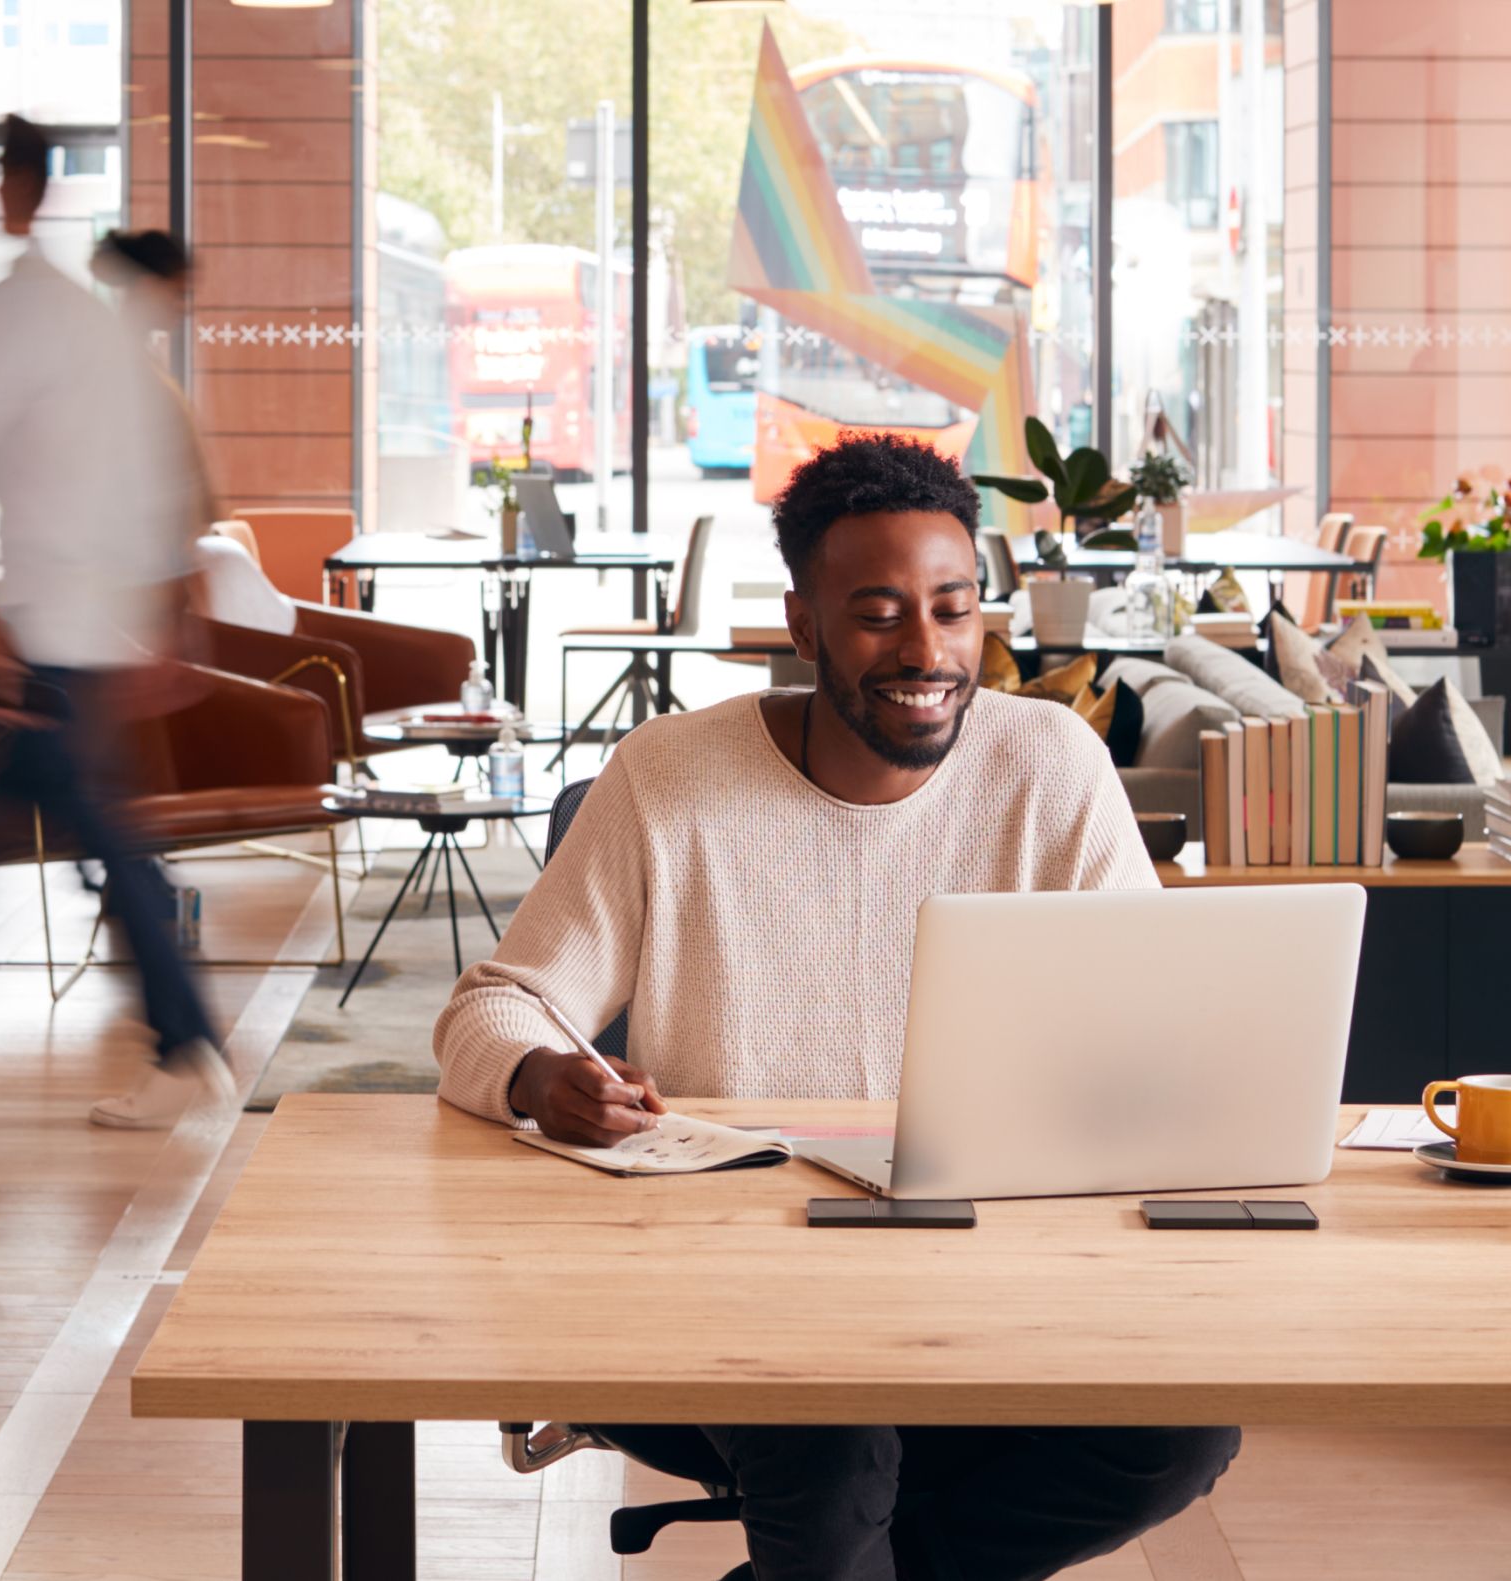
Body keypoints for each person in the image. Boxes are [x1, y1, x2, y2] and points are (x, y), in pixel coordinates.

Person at [429, 433, 1238, 1581]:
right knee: (837, 1434)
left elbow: (1158, 1021)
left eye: (954, 610)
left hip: (992, 1274)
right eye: (878, 614)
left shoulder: (1049, 764)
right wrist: (539, 1075)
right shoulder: (671, 777)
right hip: (732, 1283)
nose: (928, 650)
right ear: (803, 627)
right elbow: (494, 1008)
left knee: (1178, 1433)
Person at [0, 117, 227, 1129]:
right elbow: (151, 489)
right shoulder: (84, 331)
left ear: (14, 188)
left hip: (65, 623)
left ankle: (182, 1040)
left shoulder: (30, 310)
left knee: (98, 830)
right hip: (65, 617)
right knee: (28, 804)